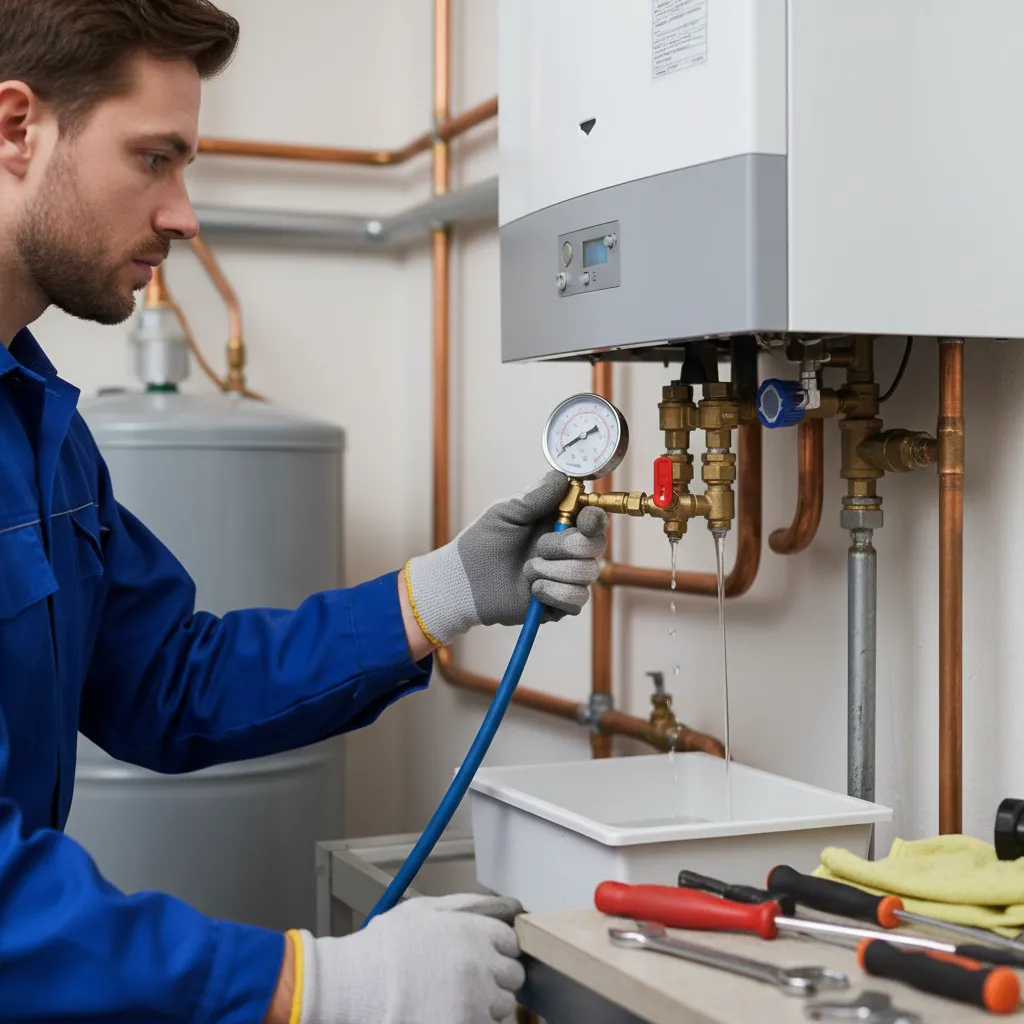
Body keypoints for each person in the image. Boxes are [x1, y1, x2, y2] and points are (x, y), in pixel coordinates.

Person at [0, 1, 610, 1021]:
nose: (183, 212)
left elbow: (165, 681)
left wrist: (443, 589)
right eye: (154, 157)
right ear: (17, 126)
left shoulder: (40, 424)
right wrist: (308, 984)